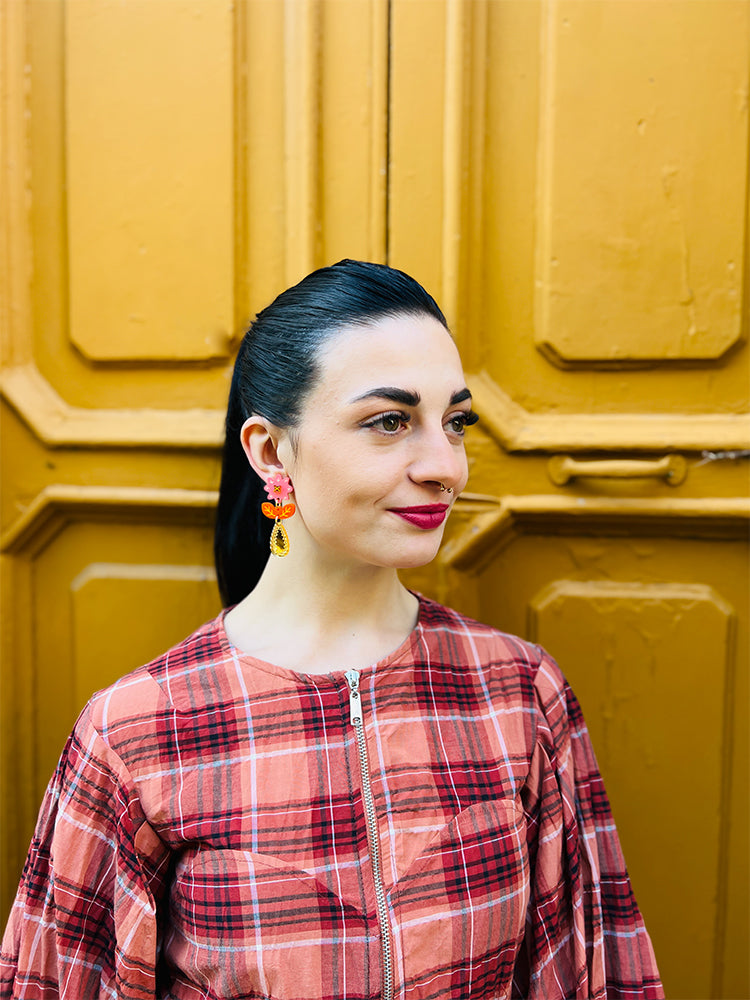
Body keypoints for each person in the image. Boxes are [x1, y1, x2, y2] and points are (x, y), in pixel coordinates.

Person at [1, 260, 663, 999]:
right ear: (270, 451)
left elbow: (597, 975)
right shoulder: (137, 732)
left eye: (455, 422)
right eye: (389, 421)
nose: (444, 466)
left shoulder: (520, 693)